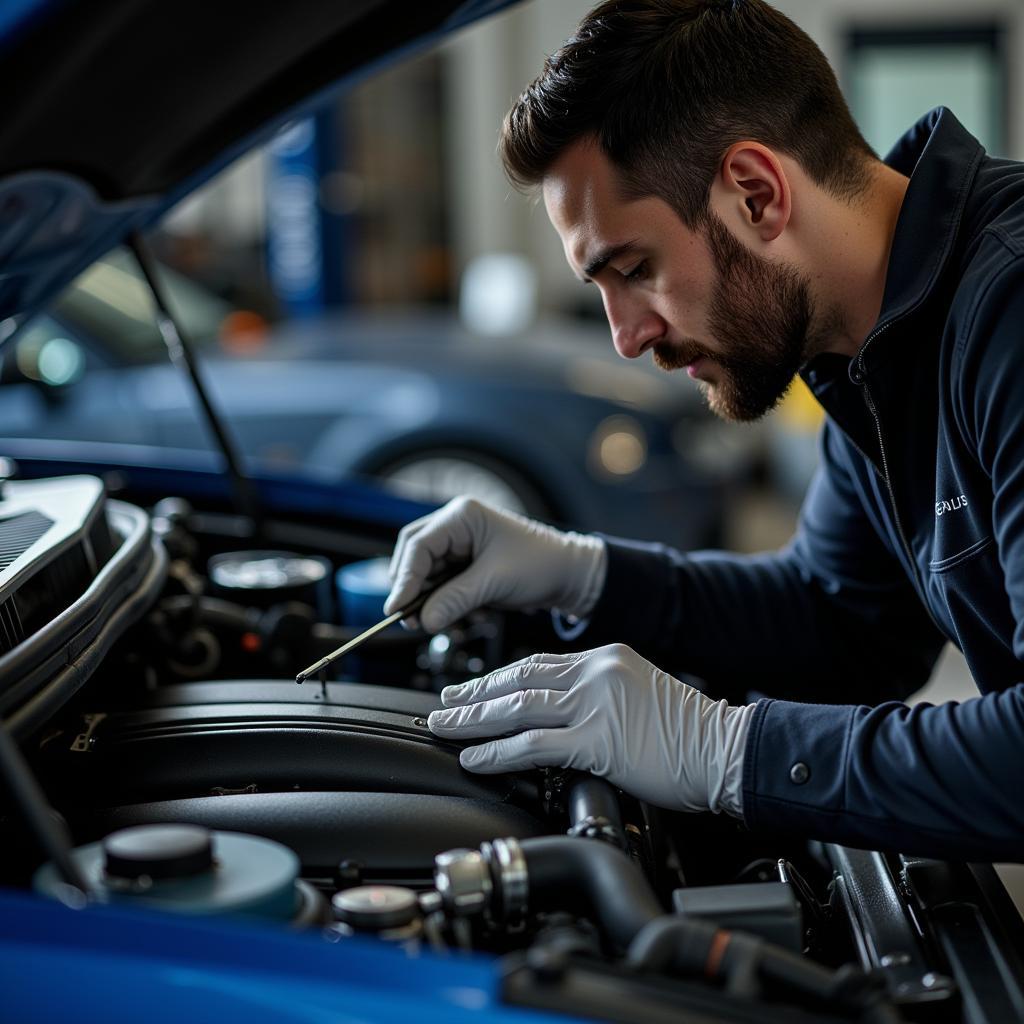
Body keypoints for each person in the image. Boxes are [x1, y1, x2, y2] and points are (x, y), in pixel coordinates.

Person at [385, 0, 1024, 860]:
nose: (626, 335)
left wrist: (720, 752)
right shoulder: (873, 336)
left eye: (635, 269)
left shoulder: (1011, 311)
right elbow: (844, 624)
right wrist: (584, 576)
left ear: (755, 194)